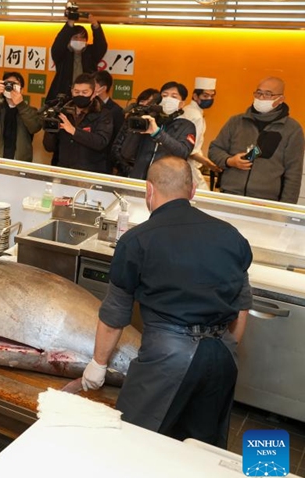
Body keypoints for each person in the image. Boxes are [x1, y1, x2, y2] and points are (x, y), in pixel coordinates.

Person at [82, 157, 252, 449]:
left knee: (133, 442)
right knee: (200, 451)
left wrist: (98, 365)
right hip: (223, 357)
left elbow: (115, 315)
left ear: (149, 191)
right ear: (193, 191)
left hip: (168, 358)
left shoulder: (136, 240)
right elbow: (241, 308)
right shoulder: (231, 236)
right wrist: (221, 348)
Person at [208, 77, 304, 204]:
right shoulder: (236, 122)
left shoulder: (292, 129)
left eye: (268, 94)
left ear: (281, 99)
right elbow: (214, 149)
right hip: (230, 195)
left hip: (267, 202)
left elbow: (293, 173)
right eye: (258, 93)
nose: (261, 98)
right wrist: (230, 161)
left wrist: (286, 208)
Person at [117, 81, 196, 180]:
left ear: (181, 104)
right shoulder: (151, 120)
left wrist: (157, 133)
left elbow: (183, 152)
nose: (168, 99)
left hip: (167, 182)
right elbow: (126, 153)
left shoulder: (187, 126)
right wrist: (138, 127)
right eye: (164, 95)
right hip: (139, 179)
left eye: (174, 97)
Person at [43, 73, 112, 173]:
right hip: (64, 170)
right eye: (76, 92)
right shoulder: (62, 112)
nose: (80, 95)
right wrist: (50, 130)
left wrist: (74, 131)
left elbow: (101, 142)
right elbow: (49, 147)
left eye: (84, 92)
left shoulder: (103, 114)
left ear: (93, 93)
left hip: (90, 172)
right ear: (72, 92)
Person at [0, 72, 41, 162]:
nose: (10, 87)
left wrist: (21, 105)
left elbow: (35, 126)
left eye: (14, 84)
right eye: (7, 83)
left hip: (19, 163)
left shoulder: (28, 110)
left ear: (21, 90)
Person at [46, 14, 107, 101]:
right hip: (64, 96)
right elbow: (59, 43)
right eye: (75, 37)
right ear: (69, 39)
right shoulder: (62, 53)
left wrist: (95, 25)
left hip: (87, 96)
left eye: (82, 38)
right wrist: (70, 23)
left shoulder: (91, 53)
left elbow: (101, 45)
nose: (79, 40)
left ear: (86, 40)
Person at [183, 77, 221, 190]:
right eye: (205, 96)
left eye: (212, 96)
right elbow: (191, 151)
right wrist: (212, 166)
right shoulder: (196, 116)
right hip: (189, 166)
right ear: (195, 96)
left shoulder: (187, 109)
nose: (209, 99)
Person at [111, 88, 159, 176]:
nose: (145, 105)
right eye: (143, 101)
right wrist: (127, 168)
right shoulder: (131, 118)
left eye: (150, 102)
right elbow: (116, 147)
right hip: (124, 170)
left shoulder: (157, 124)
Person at [93, 70, 123, 163]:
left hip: (105, 160)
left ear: (103, 88)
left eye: (93, 85)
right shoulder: (88, 106)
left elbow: (117, 139)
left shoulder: (116, 110)